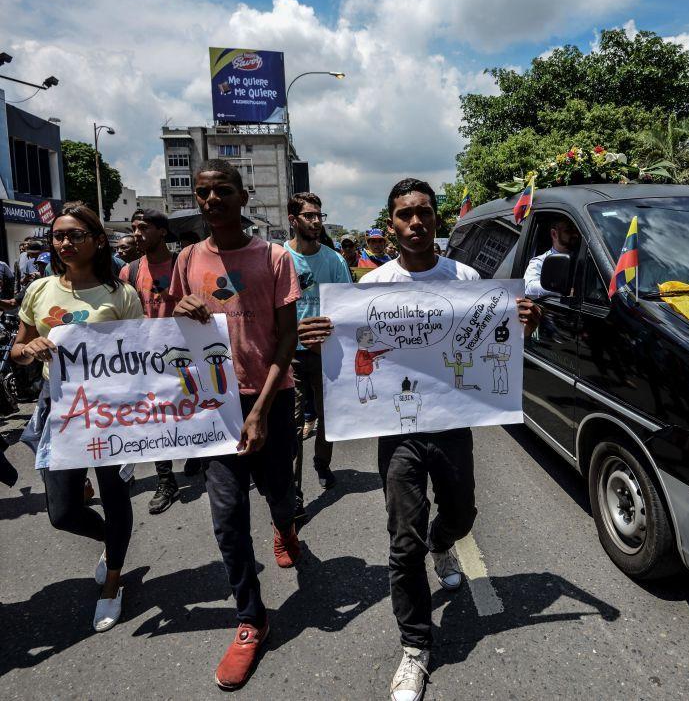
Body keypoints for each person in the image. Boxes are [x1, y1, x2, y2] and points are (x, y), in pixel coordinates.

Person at [297, 178, 541, 701]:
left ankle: (445, 542)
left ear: (437, 219)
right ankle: (414, 647)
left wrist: (525, 323)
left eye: (424, 213)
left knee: (460, 513)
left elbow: (497, 340)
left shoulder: (468, 278)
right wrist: (319, 340)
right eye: (404, 214)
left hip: (451, 426)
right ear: (391, 225)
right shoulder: (371, 286)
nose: (415, 222)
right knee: (401, 542)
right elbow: (350, 351)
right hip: (398, 433)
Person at [169, 159, 301, 690]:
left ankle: (286, 527)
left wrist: (261, 411)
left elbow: (286, 342)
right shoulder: (185, 258)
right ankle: (251, 617)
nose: (210, 201)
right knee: (226, 518)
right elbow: (173, 337)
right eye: (202, 193)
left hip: (269, 398)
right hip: (214, 406)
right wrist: (180, 309)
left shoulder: (274, 257)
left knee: (279, 494)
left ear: (243, 197)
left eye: (222, 190)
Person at [11, 202, 144, 632]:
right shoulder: (40, 290)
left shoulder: (120, 295)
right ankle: (112, 540)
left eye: (75, 235)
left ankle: (112, 583)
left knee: (114, 494)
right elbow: (17, 347)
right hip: (61, 410)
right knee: (63, 511)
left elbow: (143, 353)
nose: (65, 243)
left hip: (110, 411)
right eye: (58, 236)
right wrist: (28, 351)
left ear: (98, 240)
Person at [118, 208, 197, 514]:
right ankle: (166, 481)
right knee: (153, 419)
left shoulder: (183, 264)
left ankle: (197, 451)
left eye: (143, 228)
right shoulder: (130, 271)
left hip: (183, 354)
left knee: (190, 411)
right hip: (146, 359)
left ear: (162, 232)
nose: (137, 234)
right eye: (134, 228)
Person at [284, 191, 352, 520]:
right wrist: (297, 333)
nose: (315, 221)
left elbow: (348, 308)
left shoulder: (335, 261)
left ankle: (322, 463)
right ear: (292, 220)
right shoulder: (277, 258)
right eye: (308, 215)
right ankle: (294, 494)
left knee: (328, 421)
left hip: (328, 356)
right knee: (294, 426)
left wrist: (325, 334)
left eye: (318, 215)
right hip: (290, 357)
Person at [523, 216, 581, 298]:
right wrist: (560, 288)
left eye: (576, 230)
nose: (575, 235)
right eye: (568, 231)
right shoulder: (540, 261)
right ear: (554, 234)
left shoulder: (584, 257)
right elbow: (528, 287)